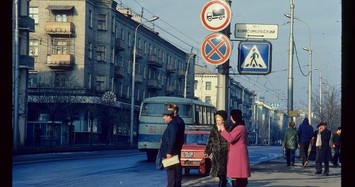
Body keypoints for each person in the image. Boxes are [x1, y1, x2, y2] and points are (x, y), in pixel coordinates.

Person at [217, 109, 251, 187]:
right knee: (238, 175)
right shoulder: (241, 127)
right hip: (238, 154)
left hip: (237, 155)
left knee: (237, 175)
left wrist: (222, 129)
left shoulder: (239, 128)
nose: (231, 119)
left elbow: (230, 138)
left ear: (234, 117)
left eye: (231, 117)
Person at [204, 110, 229, 187]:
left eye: (219, 120)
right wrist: (207, 152)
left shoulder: (228, 127)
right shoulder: (214, 128)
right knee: (218, 172)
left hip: (225, 154)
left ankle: (222, 183)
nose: (217, 121)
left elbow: (230, 139)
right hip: (216, 153)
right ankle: (222, 182)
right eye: (216, 120)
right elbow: (210, 141)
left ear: (223, 120)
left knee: (223, 173)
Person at [159, 110, 183, 187]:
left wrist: (169, 152)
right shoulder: (172, 125)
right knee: (172, 172)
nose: (163, 118)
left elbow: (173, 139)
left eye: (165, 116)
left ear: (169, 117)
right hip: (171, 153)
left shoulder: (172, 126)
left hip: (171, 154)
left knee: (171, 173)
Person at [166, 103, 185, 187]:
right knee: (173, 170)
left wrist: (170, 150)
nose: (167, 113)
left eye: (169, 111)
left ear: (175, 111)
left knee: (174, 170)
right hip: (174, 148)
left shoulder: (177, 121)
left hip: (174, 149)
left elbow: (174, 137)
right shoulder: (177, 120)